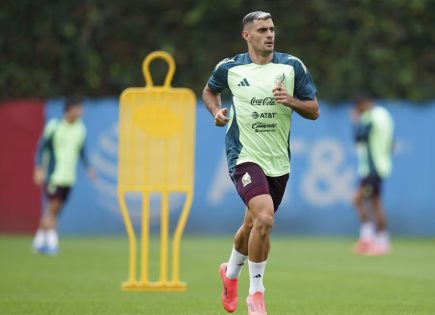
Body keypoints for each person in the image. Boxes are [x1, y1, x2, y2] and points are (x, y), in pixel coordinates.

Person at [202, 11, 319, 315]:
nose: (270, 34)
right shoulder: (230, 67)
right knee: (265, 218)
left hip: (278, 160)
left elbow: (314, 109)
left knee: (253, 225)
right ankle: (257, 293)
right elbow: (209, 91)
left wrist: (291, 101)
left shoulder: (292, 66)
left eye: (272, 29)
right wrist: (215, 111)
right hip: (243, 155)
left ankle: (229, 275)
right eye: (263, 30)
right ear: (247, 35)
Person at [32, 96, 95, 255]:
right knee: (52, 209)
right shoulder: (54, 126)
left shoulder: (81, 129)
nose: (81, 112)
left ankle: (38, 242)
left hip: (69, 177)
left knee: (54, 210)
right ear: (70, 109)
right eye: (79, 108)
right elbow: (42, 148)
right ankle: (52, 244)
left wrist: (88, 168)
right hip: (54, 176)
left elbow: (81, 151)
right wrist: (39, 168)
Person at [351, 95, 394, 256]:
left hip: (372, 169)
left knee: (359, 200)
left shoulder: (370, 117)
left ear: (362, 104)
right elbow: (392, 142)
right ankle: (374, 240)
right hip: (380, 166)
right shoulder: (385, 115)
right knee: (374, 203)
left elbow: (358, 136)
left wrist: (356, 121)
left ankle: (375, 241)